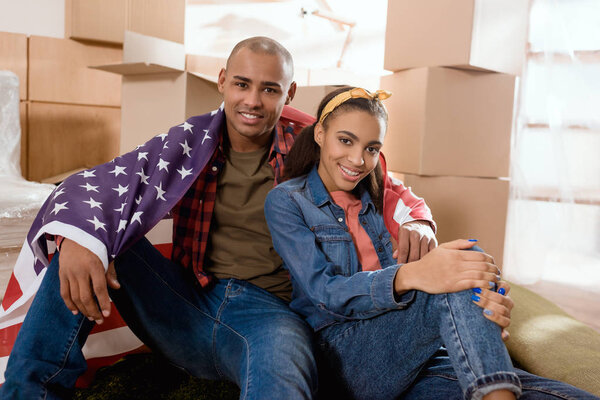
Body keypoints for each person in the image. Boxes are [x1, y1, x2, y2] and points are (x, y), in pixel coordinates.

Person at [0, 38, 437, 399]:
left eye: (269, 89)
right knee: (83, 239)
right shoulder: (189, 142)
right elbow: (100, 185)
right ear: (223, 82)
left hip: (270, 315)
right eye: (242, 84)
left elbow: (387, 184)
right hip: (188, 301)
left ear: (289, 94)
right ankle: (26, 393)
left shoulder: (314, 146)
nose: (253, 100)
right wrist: (80, 240)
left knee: (285, 360)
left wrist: (419, 222)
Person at [264, 86, 599, 400]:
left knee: (544, 391)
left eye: (371, 148)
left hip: (410, 355)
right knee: (455, 270)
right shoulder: (287, 201)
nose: (357, 160)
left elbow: (414, 206)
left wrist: (487, 308)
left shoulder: (378, 196)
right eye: (345, 141)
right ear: (320, 134)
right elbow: (323, 290)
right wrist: (411, 276)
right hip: (344, 356)